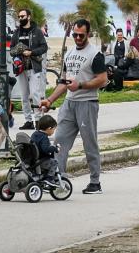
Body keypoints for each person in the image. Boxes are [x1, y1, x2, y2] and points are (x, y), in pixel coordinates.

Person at [40, 19, 108, 195]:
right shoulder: (69, 53)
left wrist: (81, 85)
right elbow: (64, 81)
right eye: (75, 34)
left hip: (87, 103)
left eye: (81, 35)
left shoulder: (95, 54)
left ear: (88, 34)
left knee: (89, 143)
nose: (77, 38)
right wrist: (50, 100)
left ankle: (95, 182)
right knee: (59, 142)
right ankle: (57, 179)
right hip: (69, 103)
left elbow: (102, 79)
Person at [10, 8, 49, 130]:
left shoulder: (37, 32)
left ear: (29, 17)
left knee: (35, 93)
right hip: (21, 68)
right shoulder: (16, 33)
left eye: (23, 16)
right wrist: (19, 51)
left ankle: (38, 120)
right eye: (19, 17)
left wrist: (31, 52)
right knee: (24, 96)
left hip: (34, 67)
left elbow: (44, 47)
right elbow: (11, 50)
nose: (21, 18)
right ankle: (28, 121)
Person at [30, 114, 59, 187]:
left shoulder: (35, 134)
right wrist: (55, 148)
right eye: (53, 129)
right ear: (49, 128)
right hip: (41, 161)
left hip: (33, 159)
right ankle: (49, 178)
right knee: (54, 162)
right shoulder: (44, 137)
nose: (53, 131)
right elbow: (46, 149)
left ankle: (43, 177)